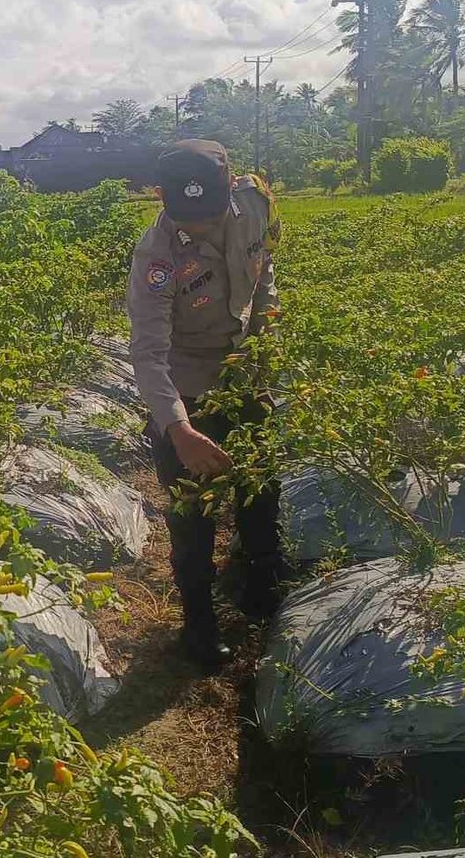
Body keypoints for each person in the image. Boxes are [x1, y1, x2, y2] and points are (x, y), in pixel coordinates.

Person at [126, 139, 284, 672]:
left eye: (209, 213)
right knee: (193, 512)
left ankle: (262, 592)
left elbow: (266, 272)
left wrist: (265, 335)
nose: (198, 226)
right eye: (186, 217)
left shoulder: (256, 204)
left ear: (230, 188)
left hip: (246, 370)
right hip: (187, 383)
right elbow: (148, 355)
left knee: (261, 489)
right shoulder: (156, 257)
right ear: (161, 198)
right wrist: (179, 429)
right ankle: (199, 625)